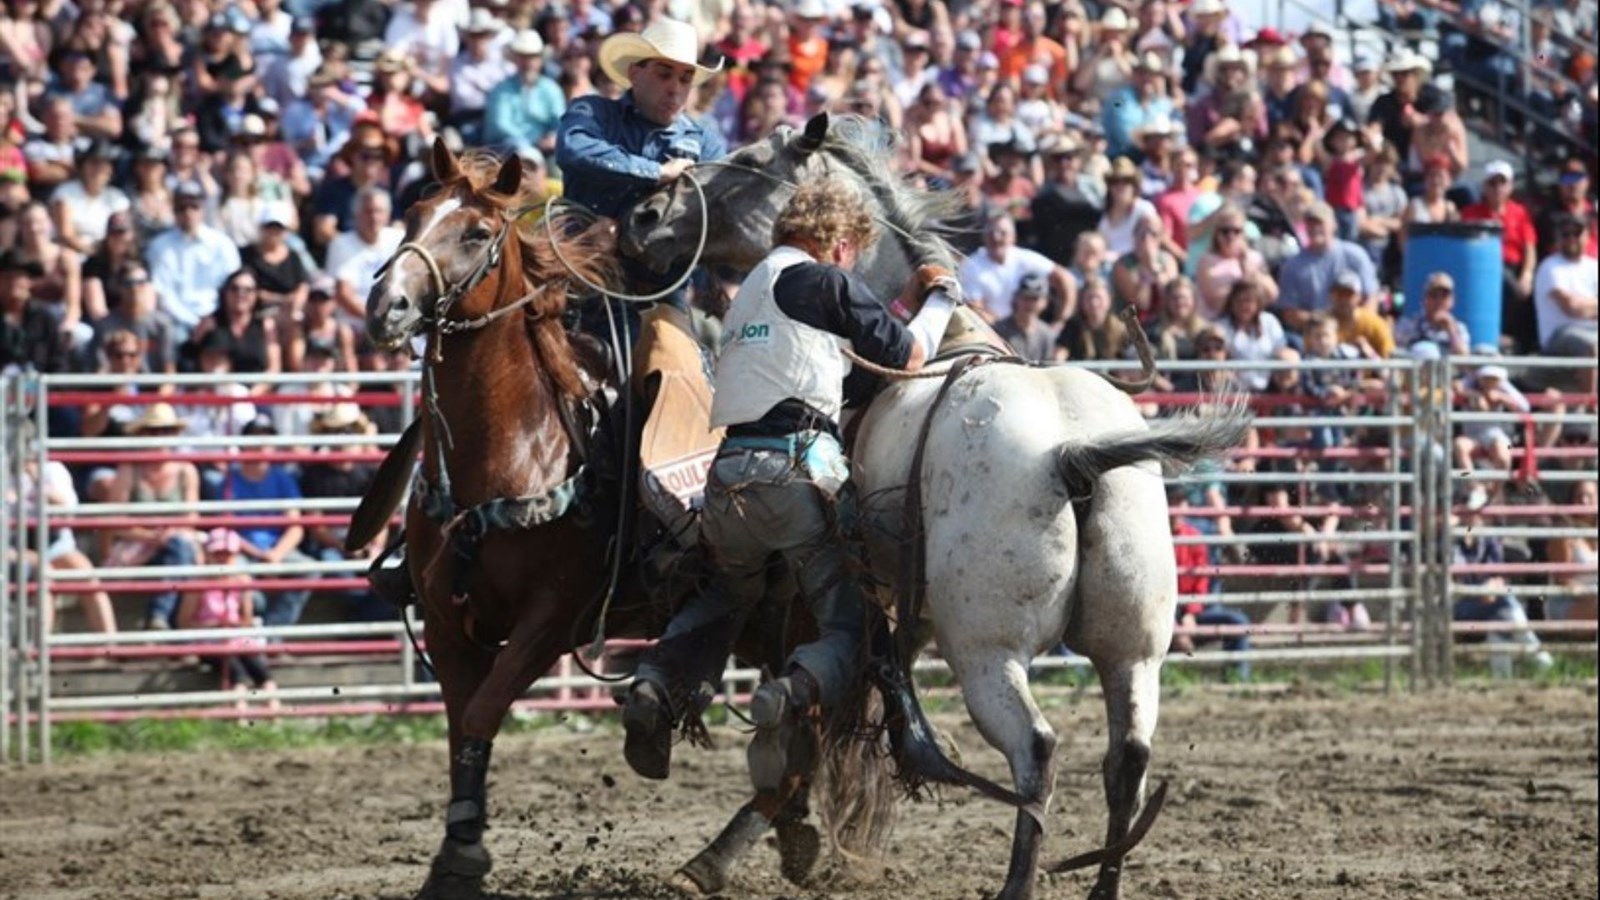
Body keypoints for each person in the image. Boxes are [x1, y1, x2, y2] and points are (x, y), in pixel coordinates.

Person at [619, 180, 957, 784]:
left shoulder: (754, 292)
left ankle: (655, 681)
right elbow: (907, 358)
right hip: (798, 472)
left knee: (724, 597)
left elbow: (848, 376)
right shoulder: (824, 281)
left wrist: (897, 308)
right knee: (851, 623)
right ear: (842, 244)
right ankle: (790, 693)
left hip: (729, 476)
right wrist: (941, 302)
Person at [555, 18, 726, 223]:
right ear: (634, 74)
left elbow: (715, 208)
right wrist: (658, 172)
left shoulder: (704, 143)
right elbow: (574, 149)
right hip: (578, 241)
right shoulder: (593, 112)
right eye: (664, 74)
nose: (675, 89)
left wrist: (621, 233)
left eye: (685, 79)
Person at [178, 527, 280, 709]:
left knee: (259, 668)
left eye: (228, 554)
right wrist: (212, 626)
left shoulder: (241, 581)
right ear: (208, 554)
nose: (223, 559)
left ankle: (274, 713)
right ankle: (241, 714)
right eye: (218, 553)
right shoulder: (198, 583)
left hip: (236, 637)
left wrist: (234, 624)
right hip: (208, 641)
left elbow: (247, 620)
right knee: (235, 670)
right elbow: (184, 622)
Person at [1461, 161, 1540, 353]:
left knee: (1524, 290)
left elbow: (1529, 247)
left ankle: (1522, 342)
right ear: (1485, 187)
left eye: (1502, 183)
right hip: (1482, 270)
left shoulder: (1519, 213)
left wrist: (1527, 274)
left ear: (1510, 186)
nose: (1497, 188)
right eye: (1492, 183)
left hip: (1513, 267)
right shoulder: (1470, 213)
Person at [1531, 213, 1598, 361]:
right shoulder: (1550, 267)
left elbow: (1580, 307)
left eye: (1577, 233)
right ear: (1558, 238)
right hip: (1559, 336)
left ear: (1588, 236)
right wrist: (1590, 305)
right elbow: (1572, 307)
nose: (1571, 238)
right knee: (1592, 346)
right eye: (1565, 234)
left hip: (1593, 330)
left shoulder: (1594, 267)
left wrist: (1585, 305)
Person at [993, 271, 1055, 361]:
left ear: (1045, 302)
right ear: (1016, 299)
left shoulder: (1046, 334)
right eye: (1025, 298)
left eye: (1034, 299)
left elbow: (1049, 364)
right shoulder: (998, 330)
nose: (1029, 304)